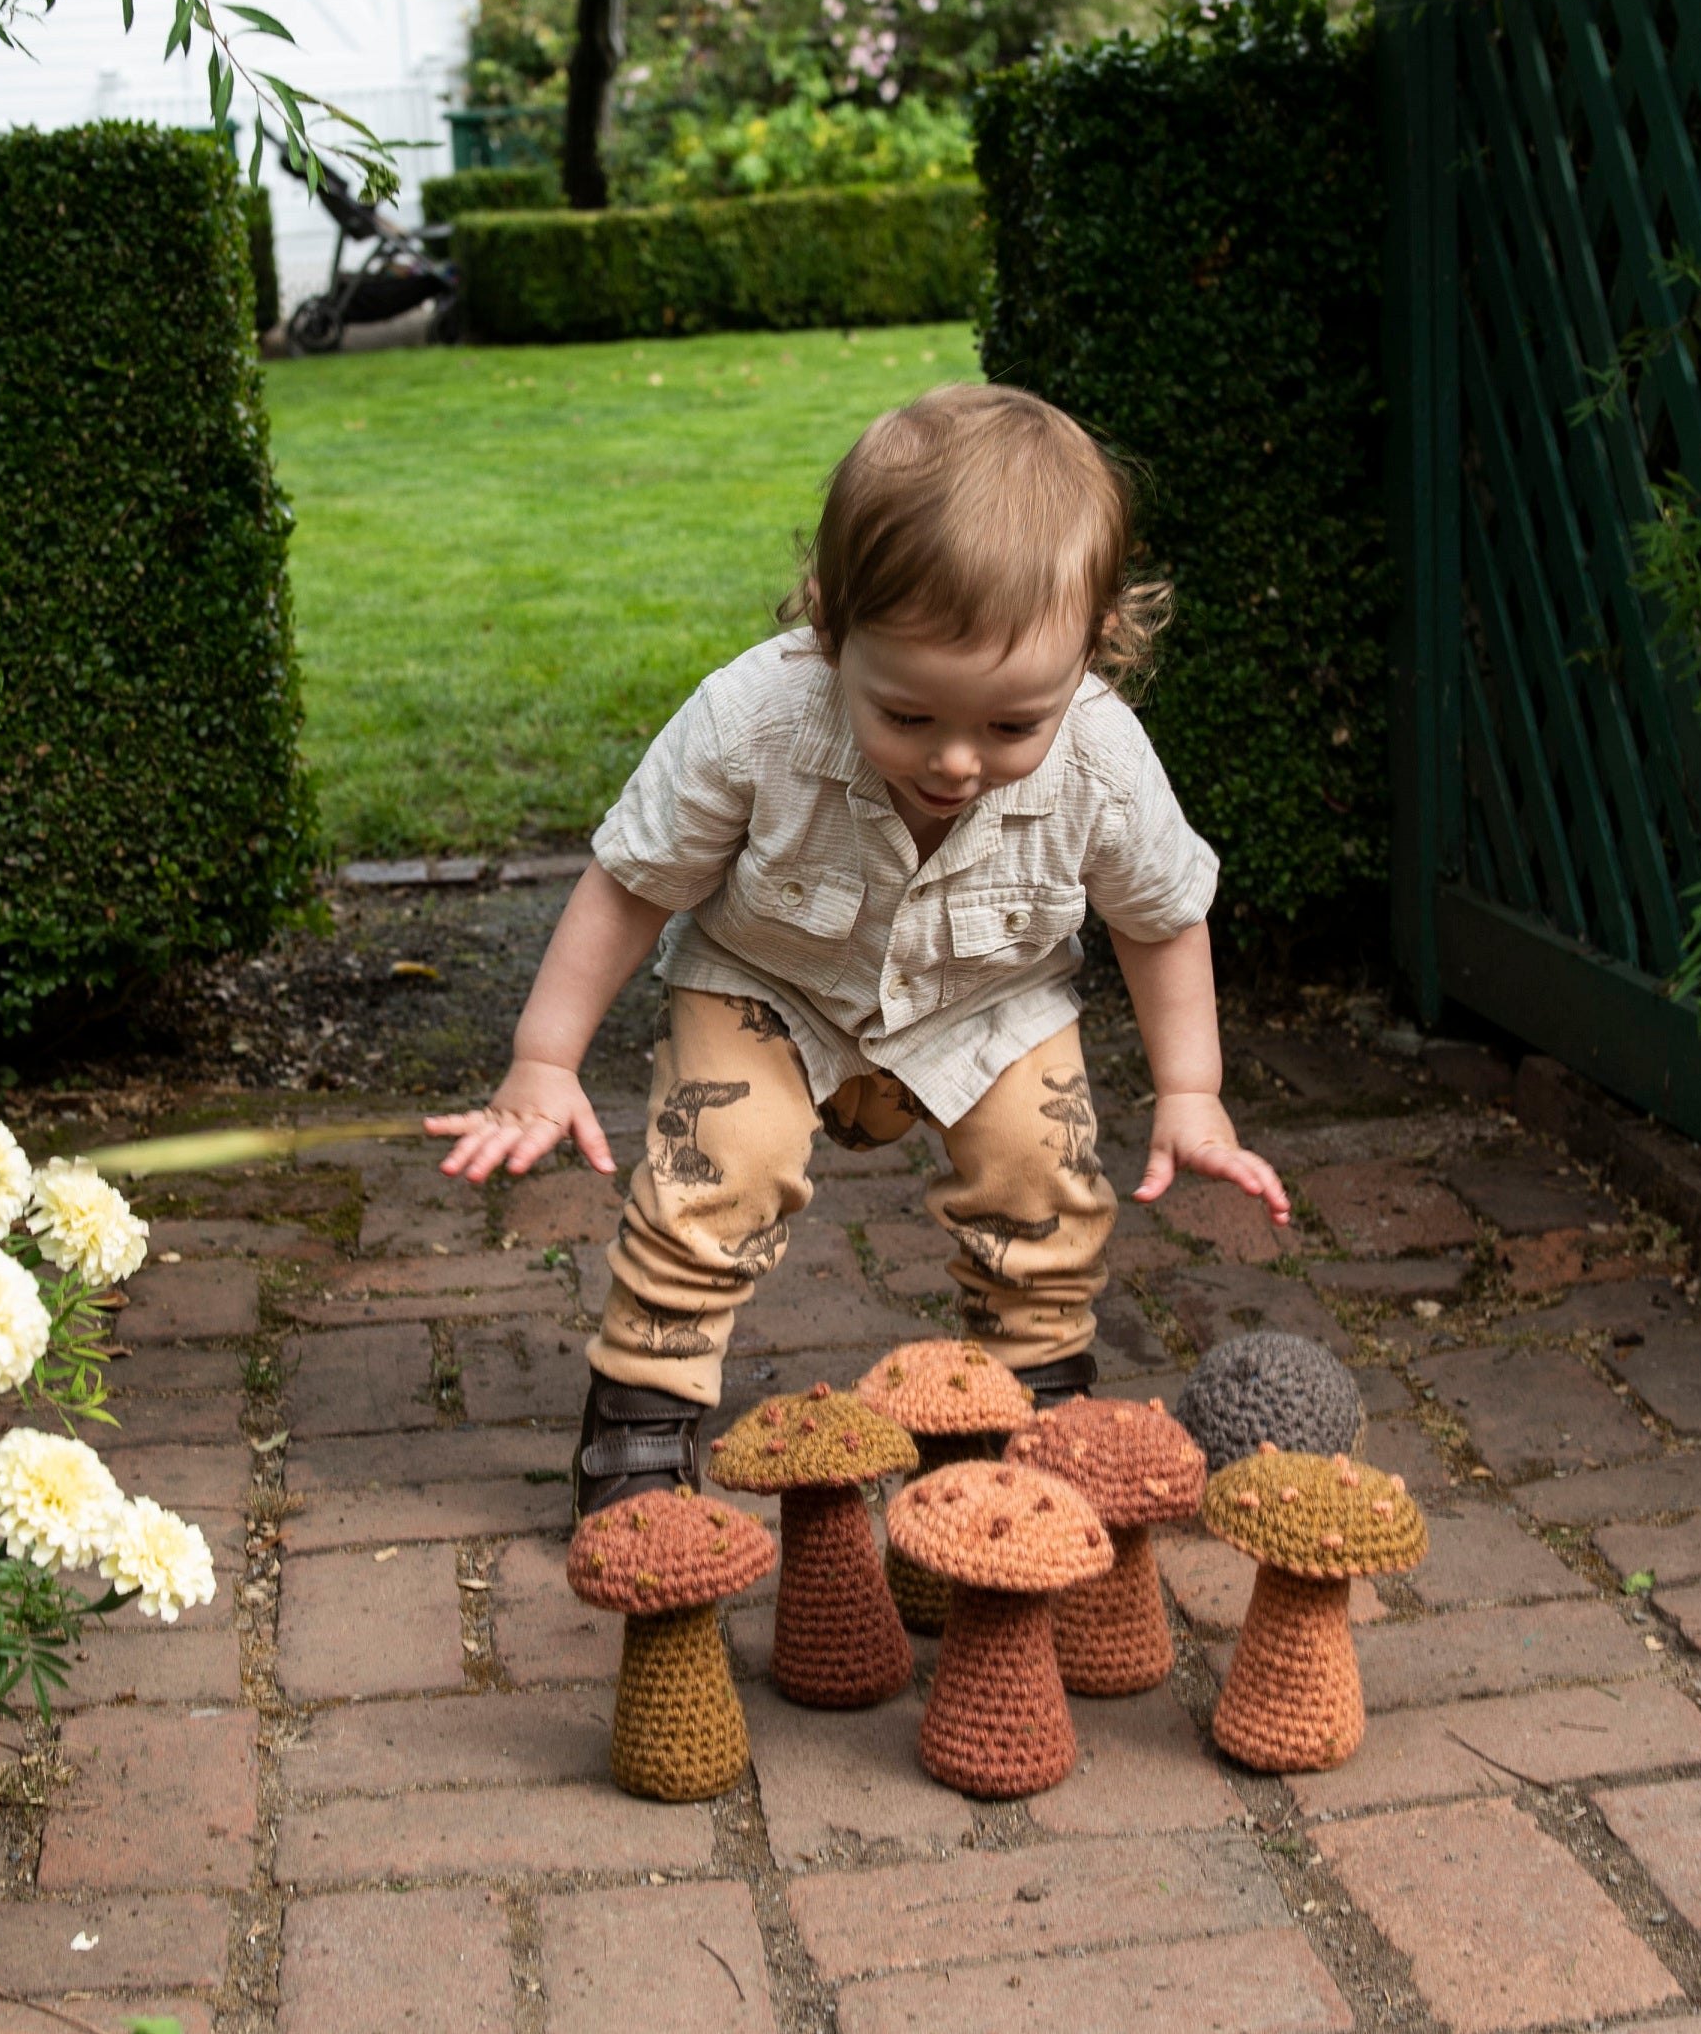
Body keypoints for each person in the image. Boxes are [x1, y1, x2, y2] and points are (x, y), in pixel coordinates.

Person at [427, 382, 1291, 1511]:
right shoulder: (752, 721)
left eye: (1011, 724)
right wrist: (544, 1059)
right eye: (911, 715)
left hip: (992, 1005)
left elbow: (1161, 916)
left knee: (1047, 1177)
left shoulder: (1105, 758)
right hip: (768, 987)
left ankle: (1028, 1409)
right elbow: (630, 886)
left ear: (1096, 645)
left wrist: (1193, 1087)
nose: (957, 761)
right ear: (832, 627)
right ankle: (642, 1414)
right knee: (715, 1166)